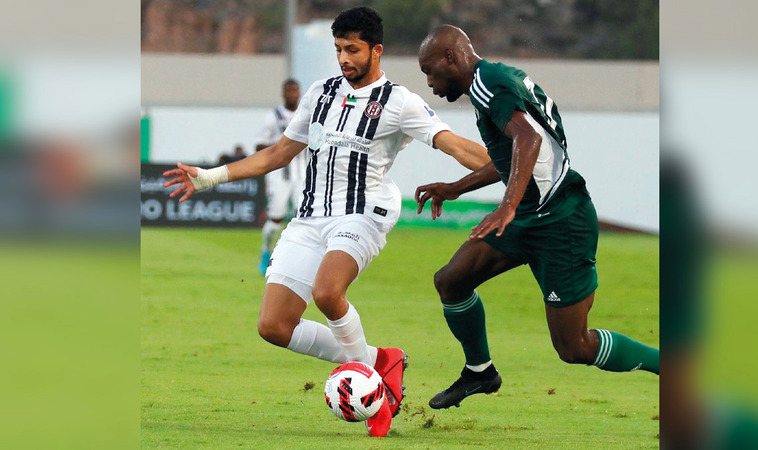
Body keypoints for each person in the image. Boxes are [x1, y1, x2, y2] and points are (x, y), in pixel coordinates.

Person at [163, 8, 490, 437]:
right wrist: (209, 177)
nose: (343, 59)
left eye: (352, 49)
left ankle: (377, 395)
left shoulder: (400, 102)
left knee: (327, 292)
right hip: (310, 218)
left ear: (376, 50)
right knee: (274, 326)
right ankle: (380, 360)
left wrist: (516, 167)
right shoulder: (320, 93)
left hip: (363, 213)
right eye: (338, 49)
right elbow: (278, 154)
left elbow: (457, 146)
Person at [415, 25, 659, 410]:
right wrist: (456, 188)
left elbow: (529, 140)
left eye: (429, 71)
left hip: (561, 221)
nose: (429, 82)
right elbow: (515, 154)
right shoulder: (494, 79)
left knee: (574, 347)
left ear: (450, 58)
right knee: (451, 280)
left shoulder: (488, 84)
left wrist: (507, 205)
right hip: (528, 216)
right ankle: (480, 372)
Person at [256, 79, 305, 275]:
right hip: (279, 174)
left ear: (299, 93)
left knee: (304, 218)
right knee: (275, 219)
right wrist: (282, 146)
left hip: (303, 174)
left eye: (295, 90)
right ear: (283, 93)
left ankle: (297, 260)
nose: (292, 94)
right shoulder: (273, 117)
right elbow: (259, 145)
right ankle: (266, 250)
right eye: (288, 91)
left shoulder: (306, 114)